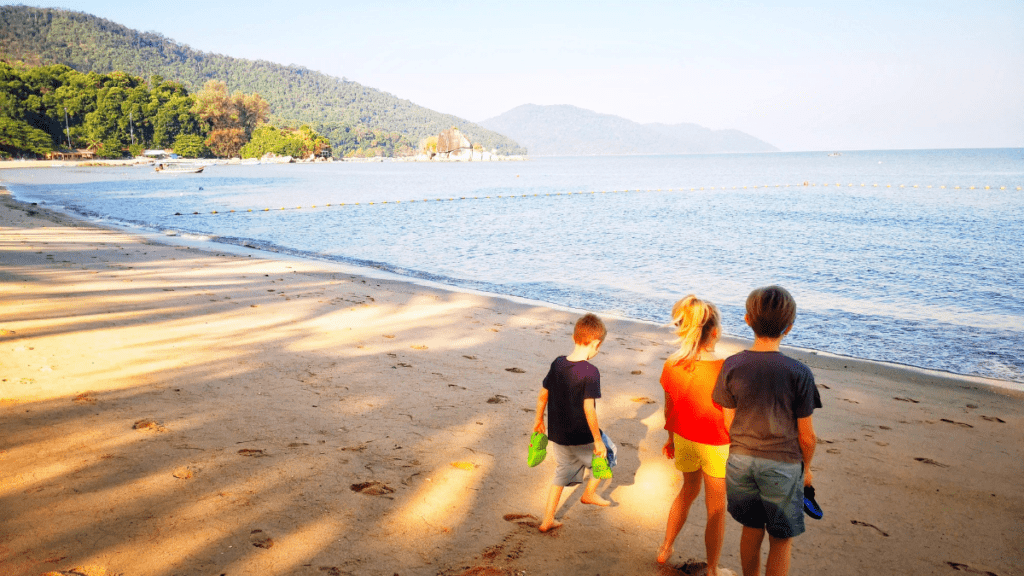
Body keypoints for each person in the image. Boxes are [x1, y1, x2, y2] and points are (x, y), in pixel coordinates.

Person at [712, 286, 821, 576]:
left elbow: (727, 422)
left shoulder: (732, 365)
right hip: (783, 466)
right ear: (790, 327)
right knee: (781, 539)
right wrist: (806, 469)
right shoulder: (799, 373)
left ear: (748, 320)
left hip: (741, 461)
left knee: (751, 528)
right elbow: (807, 436)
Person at [657, 296, 732, 575]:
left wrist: (670, 439)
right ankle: (712, 568)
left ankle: (665, 547)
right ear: (714, 332)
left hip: (685, 438)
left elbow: (669, 408)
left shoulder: (672, 364)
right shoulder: (725, 367)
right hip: (716, 443)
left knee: (687, 492)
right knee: (716, 508)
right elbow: (728, 414)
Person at [532, 312, 611, 532]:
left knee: (562, 472)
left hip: (558, 435)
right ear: (595, 343)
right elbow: (589, 409)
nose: (598, 351)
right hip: (581, 435)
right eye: (599, 347)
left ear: (574, 338)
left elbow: (542, 394)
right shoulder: (590, 371)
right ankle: (589, 493)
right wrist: (597, 440)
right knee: (608, 453)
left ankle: (547, 519)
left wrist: (539, 419)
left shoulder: (558, 363)